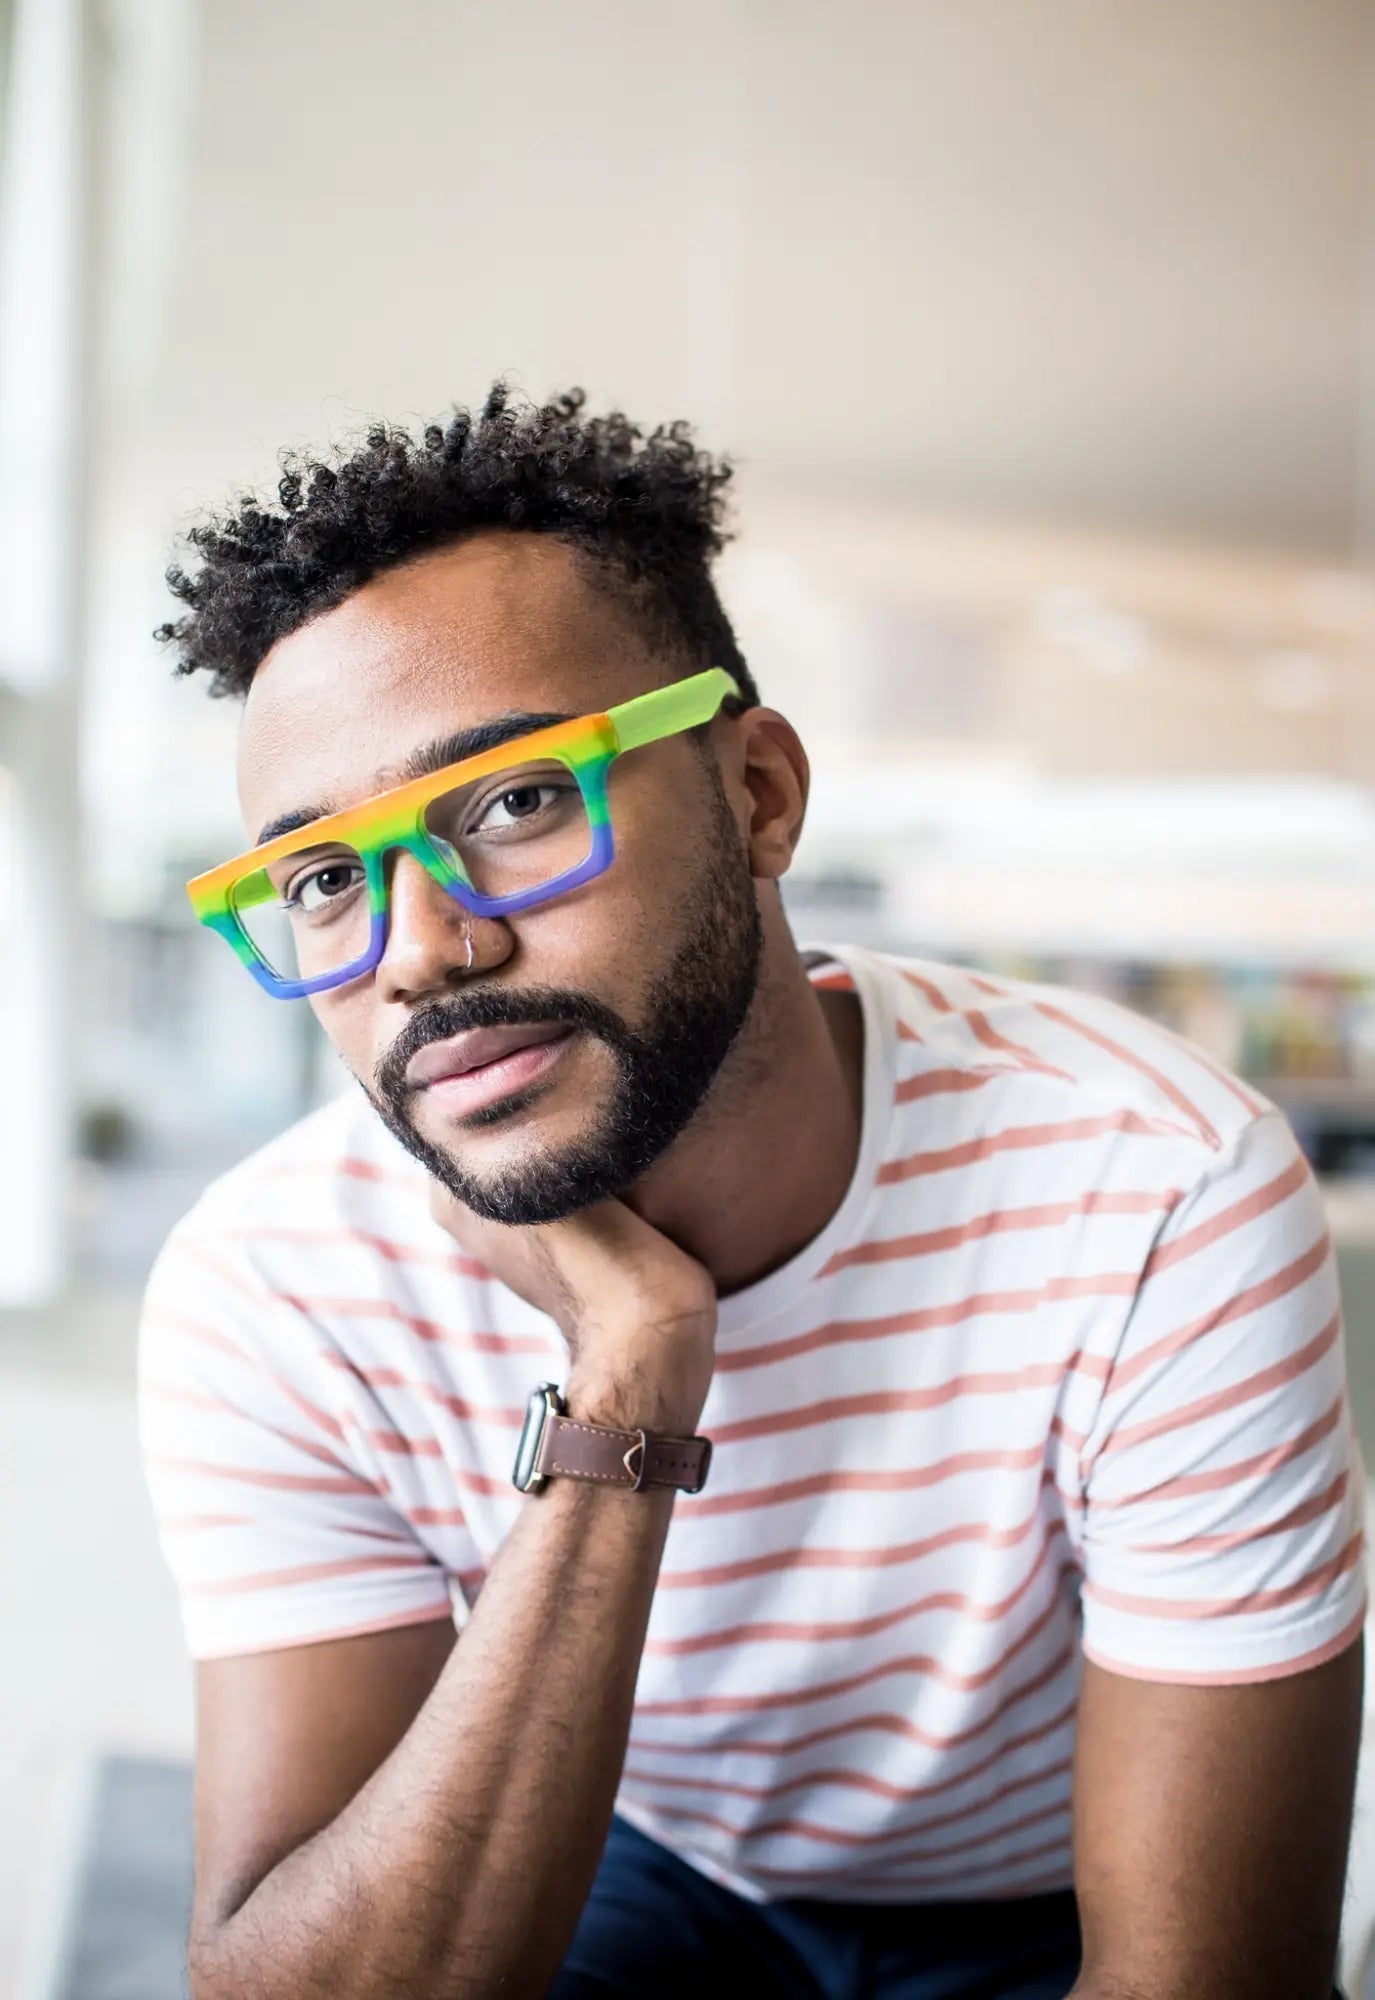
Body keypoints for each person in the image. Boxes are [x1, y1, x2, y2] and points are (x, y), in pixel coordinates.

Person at [139, 385, 1365, 2000]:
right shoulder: (275, 1280)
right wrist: (629, 1378)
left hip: (1039, 1883)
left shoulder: (1154, 1185)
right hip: (629, 1845)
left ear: (760, 796)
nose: (421, 947)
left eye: (513, 803)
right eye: (320, 880)